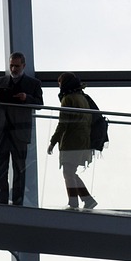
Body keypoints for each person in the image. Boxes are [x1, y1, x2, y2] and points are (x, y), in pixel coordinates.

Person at [0, 52, 43, 206]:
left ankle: (17, 202)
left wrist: (26, 98)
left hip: (20, 132)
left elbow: (40, 104)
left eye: (16, 66)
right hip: (1, 131)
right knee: (1, 168)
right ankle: (2, 201)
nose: (14, 68)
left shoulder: (33, 84)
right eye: (11, 65)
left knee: (19, 169)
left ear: (23, 65)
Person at [46, 72, 98, 210]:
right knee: (71, 172)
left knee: (68, 173)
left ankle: (73, 203)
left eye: (60, 83)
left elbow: (63, 123)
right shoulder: (82, 98)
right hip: (83, 140)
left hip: (71, 141)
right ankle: (87, 199)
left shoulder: (67, 99)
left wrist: (53, 142)